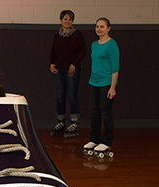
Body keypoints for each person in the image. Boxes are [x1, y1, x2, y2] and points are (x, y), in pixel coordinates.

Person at [83, 17, 119, 156]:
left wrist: (112, 86)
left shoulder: (112, 44)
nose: (99, 29)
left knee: (105, 112)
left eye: (102, 26)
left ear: (108, 28)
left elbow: (115, 67)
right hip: (94, 82)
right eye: (97, 26)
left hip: (106, 83)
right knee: (94, 112)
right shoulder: (94, 45)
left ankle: (107, 141)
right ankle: (94, 139)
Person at [49, 10, 86, 138]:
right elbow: (53, 50)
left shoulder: (77, 35)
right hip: (59, 69)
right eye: (65, 19)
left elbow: (83, 51)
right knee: (60, 95)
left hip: (72, 70)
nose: (67, 21)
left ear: (72, 21)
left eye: (69, 19)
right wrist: (51, 63)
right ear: (61, 20)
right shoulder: (57, 35)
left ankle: (74, 121)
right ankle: (61, 120)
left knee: (72, 95)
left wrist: (74, 64)